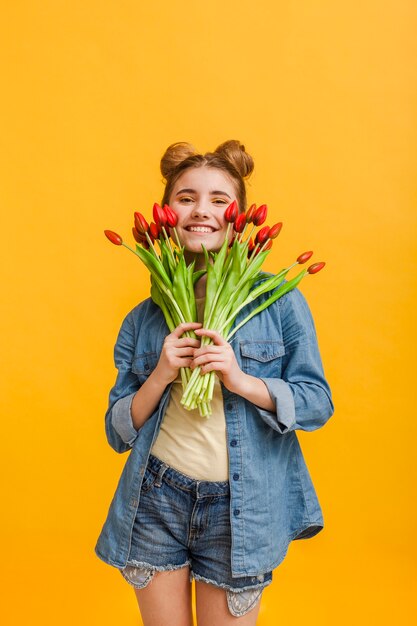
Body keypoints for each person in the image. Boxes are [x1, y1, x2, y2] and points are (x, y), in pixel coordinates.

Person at [95, 140, 334, 625]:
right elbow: (117, 431)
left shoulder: (279, 303)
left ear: (240, 218)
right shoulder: (143, 319)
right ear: (167, 212)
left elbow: (316, 403)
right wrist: (161, 374)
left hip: (240, 507)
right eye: (185, 198)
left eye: (219, 200)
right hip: (157, 497)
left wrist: (239, 378)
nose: (201, 210)